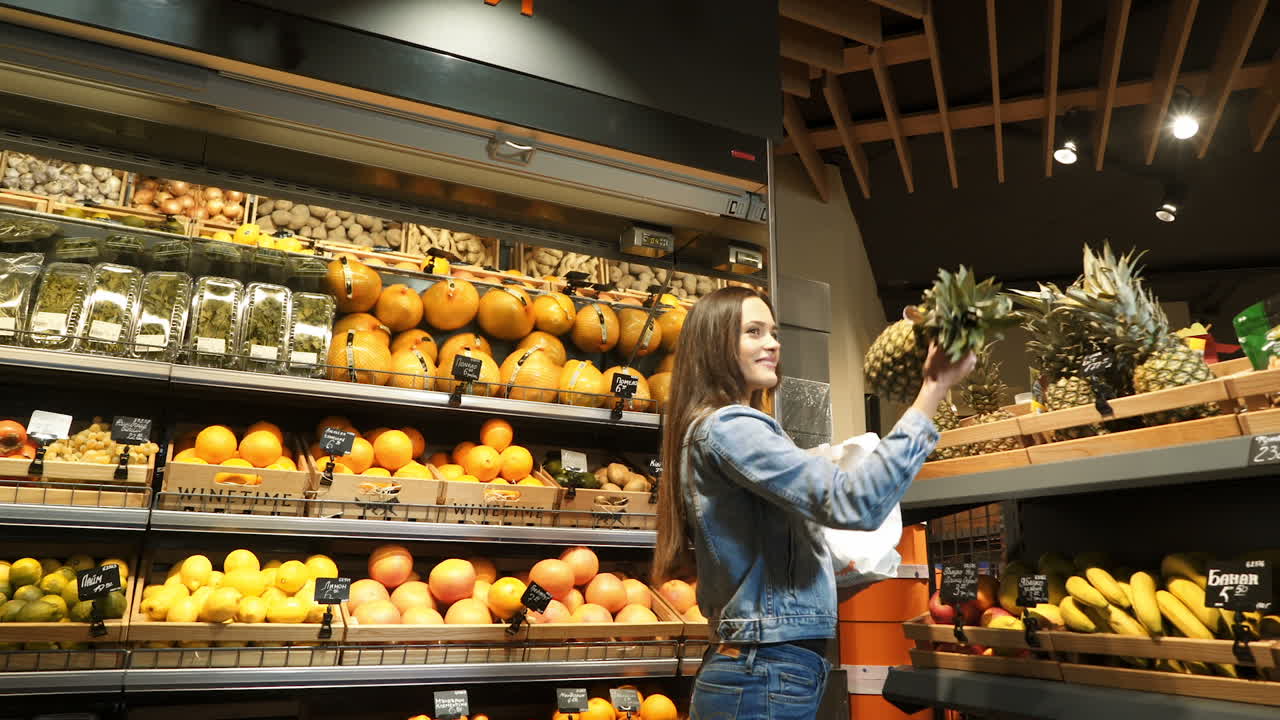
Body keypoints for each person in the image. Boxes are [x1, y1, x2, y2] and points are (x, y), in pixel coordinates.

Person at [653, 285, 974, 720]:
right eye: (753, 331)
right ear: (714, 345)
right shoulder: (730, 428)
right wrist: (932, 390)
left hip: (764, 671)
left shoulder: (723, 428)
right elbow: (853, 502)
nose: (772, 343)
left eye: (773, 332)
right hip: (762, 673)